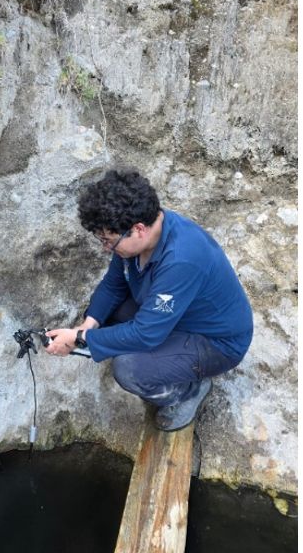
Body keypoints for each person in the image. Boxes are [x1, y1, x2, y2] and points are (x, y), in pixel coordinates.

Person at [45, 168, 253, 431]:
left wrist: (79, 340)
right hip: (178, 317)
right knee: (108, 315)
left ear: (138, 229)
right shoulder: (137, 236)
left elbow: (146, 335)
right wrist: (86, 327)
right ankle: (167, 359)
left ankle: (188, 390)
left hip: (216, 342)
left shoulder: (182, 259)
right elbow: (113, 284)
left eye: (108, 241)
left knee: (130, 369)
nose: (106, 248)